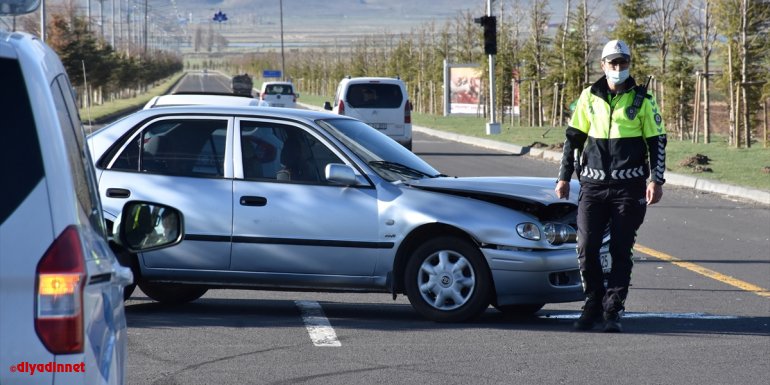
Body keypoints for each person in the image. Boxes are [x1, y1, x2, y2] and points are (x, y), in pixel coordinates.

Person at [555, 39, 667, 333]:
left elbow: (657, 141)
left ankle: (613, 309)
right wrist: (563, 177)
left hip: (628, 188)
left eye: (623, 62)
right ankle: (592, 303)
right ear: (603, 65)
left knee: (620, 247)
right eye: (613, 63)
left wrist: (656, 180)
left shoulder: (643, 100)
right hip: (592, 186)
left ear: (629, 64)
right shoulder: (588, 96)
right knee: (586, 246)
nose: (618, 68)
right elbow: (573, 139)